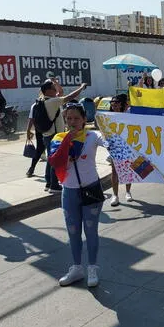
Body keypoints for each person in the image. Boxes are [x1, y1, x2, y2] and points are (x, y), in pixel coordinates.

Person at [48, 104, 106, 287]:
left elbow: (110, 142)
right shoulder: (59, 138)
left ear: (83, 120)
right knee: (73, 232)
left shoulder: (92, 136)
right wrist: (68, 141)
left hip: (91, 190)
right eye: (69, 118)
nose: (72, 122)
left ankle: (92, 269)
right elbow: (55, 160)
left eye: (76, 118)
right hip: (69, 192)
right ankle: (77, 268)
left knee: (91, 231)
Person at [39, 79, 88, 193]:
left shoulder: (43, 100)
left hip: (47, 134)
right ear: (48, 91)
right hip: (55, 135)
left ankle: (48, 183)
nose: (56, 90)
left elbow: (60, 92)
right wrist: (81, 87)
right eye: (53, 88)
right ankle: (54, 185)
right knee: (57, 159)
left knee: (50, 159)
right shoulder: (52, 102)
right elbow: (70, 97)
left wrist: (55, 82)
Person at [108, 95, 133, 206]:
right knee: (115, 170)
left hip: (127, 145)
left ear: (121, 104)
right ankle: (115, 195)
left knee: (128, 168)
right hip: (114, 146)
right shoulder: (107, 116)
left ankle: (128, 192)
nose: (114, 104)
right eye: (112, 102)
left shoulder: (127, 114)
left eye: (117, 102)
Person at [25, 99, 46, 178]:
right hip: (52, 130)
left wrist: (28, 130)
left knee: (39, 149)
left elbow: (31, 119)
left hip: (39, 130)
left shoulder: (35, 105)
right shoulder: (53, 102)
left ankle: (31, 168)